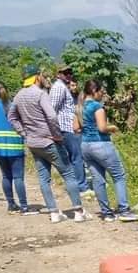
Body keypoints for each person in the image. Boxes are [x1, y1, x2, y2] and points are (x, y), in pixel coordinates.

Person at [8, 66, 90, 224]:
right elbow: (52, 116)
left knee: (44, 178)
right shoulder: (40, 94)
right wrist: (57, 135)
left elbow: (12, 117)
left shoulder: (18, 96)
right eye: (41, 75)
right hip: (48, 141)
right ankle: (79, 211)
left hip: (33, 143)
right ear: (37, 77)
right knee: (68, 174)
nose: (43, 78)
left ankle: (54, 212)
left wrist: (24, 133)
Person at [81, 79, 138, 222]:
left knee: (98, 179)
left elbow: (75, 127)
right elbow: (102, 128)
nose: (102, 94)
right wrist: (112, 128)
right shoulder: (97, 107)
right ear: (95, 91)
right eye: (101, 91)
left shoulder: (80, 107)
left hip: (85, 145)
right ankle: (124, 211)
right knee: (118, 175)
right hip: (101, 144)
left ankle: (106, 213)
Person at [0, 82, 36, 215]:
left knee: (6, 176)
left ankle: (11, 204)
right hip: (15, 146)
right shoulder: (14, 106)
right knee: (18, 177)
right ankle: (24, 206)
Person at [49, 65, 93, 203]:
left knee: (74, 158)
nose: (69, 75)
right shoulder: (59, 87)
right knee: (77, 158)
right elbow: (51, 110)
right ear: (58, 74)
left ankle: (76, 185)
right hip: (67, 128)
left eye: (70, 72)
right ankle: (81, 186)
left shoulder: (62, 87)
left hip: (67, 128)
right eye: (65, 72)